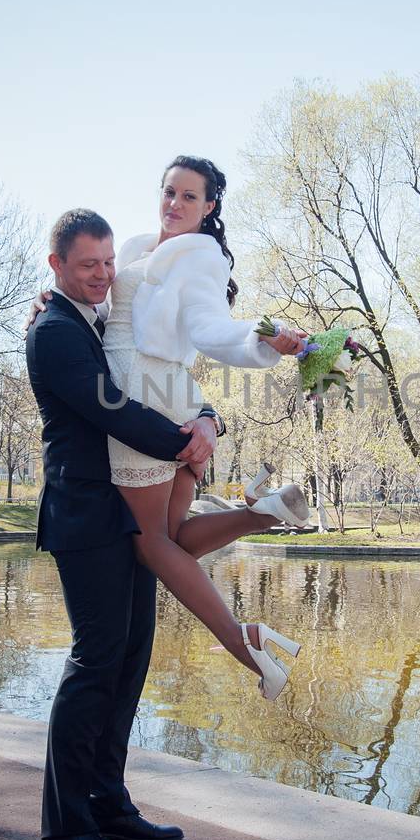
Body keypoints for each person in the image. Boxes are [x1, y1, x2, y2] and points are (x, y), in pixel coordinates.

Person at [26, 207, 303, 840]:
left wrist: (205, 415)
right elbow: (112, 408)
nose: (102, 274)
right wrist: (190, 441)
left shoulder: (100, 316)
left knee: (129, 662)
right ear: (56, 266)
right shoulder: (54, 331)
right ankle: (66, 830)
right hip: (87, 518)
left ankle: (108, 801)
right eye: (87, 264)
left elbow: (163, 362)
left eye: (108, 261)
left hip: (124, 512)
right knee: (94, 665)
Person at [33, 156, 313, 702]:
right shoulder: (137, 247)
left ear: (209, 207)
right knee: (175, 536)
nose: (174, 205)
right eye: (169, 192)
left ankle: (243, 642)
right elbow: (89, 289)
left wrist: (263, 338)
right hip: (173, 396)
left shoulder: (199, 258)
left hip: (143, 395)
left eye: (189, 197)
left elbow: (210, 329)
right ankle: (261, 513)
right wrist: (49, 294)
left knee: (150, 543)